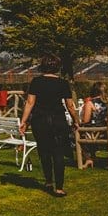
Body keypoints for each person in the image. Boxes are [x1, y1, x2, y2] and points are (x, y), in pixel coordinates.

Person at [18, 54, 80, 197]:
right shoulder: (63, 83)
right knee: (58, 153)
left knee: (44, 151)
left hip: (40, 121)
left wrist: (23, 121)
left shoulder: (36, 82)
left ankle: (48, 181)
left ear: (43, 66)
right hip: (58, 120)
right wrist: (76, 120)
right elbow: (70, 105)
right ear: (57, 67)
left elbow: (30, 103)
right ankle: (59, 187)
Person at [80, 82, 108, 168]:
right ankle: (93, 157)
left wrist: (80, 123)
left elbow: (86, 120)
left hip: (94, 132)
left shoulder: (90, 103)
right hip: (106, 131)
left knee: (76, 132)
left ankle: (88, 158)